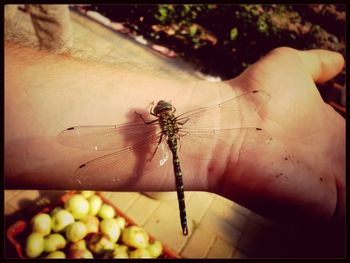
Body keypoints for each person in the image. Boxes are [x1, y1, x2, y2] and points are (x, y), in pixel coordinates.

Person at [5, 41, 345, 239]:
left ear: (160, 114)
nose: (162, 109)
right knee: (173, 163)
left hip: (165, 145)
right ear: (168, 114)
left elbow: (141, 127)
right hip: (182, 145)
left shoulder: (151, 123)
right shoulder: (178, 122)